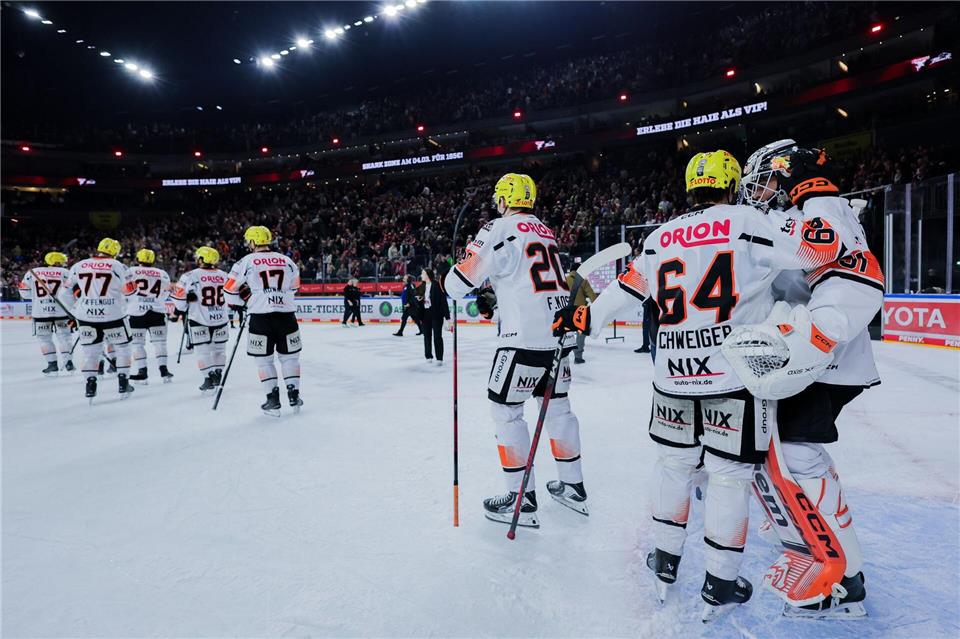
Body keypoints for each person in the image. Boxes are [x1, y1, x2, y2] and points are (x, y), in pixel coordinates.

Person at [553, 150, 850, 620]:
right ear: (732, 184)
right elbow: (819, 250)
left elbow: (625, 292)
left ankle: (665, 564)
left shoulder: (659, 236)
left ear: (691, 187)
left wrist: (581, 317)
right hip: (734, 376)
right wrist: (815, 196)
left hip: (671, 378)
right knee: (730, 478)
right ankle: (720, 583)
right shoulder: (747, 220)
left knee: (673, 467)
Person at [732, 139, 883, 618]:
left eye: (768, 179)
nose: (761, 191)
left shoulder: (819, 208)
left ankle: (844, 575)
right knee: (786, 451)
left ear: (788, 174)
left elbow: (858, 275)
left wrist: (815, 336)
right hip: (825, 355)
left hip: (826, 359)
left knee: (794, 451)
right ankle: (817, 540)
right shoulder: (819, 208)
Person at [444, 173, 587, 528]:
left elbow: (458, 283)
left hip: (522, 339)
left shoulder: (497, 228)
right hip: (559, 337)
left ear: (504, 200)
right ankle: (573, 488)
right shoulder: (545, 231)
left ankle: (520, 500)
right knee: (559, 412)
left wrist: (454, 276)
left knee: (506, 412)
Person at [224, 226, 303, 416]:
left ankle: (272, 400)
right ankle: (294, 396)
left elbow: (228, 290)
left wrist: (245, 303)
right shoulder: (287, 260)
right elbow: (295, 287)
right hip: (287, 316)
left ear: (252, 242)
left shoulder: (245, 261)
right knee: (290, 358)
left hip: (260, 318)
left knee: (263, 360)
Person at [58, 237, 137, 401]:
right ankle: (123, 382)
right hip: (114, 315)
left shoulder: (78, 265)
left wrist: (74, 311)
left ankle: (90, 384)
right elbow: (130, 292)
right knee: (123, 348)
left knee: (90, 353)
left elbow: (64, 293)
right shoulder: (119, 266)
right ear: (115, 252)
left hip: (86, 316)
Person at [171, 247, 230, 394]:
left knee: (203, 352)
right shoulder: (225, 275)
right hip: (221, 319)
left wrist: (183, 306)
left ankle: (208, 378)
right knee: (219, 351)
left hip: (199, 319)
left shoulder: (189, 275)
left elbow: (179, 299)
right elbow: (233, 296)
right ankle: (218, 375)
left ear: (202, 259)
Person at [19, 251, 74, 375]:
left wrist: (38, 298)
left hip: (40, 313)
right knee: (64, 337)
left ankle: (52, 365)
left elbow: (24, 292)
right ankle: (68, 363)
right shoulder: (66, 273)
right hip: (62, 311)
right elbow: (72, 293)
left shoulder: (32, 273)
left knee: (44, 339)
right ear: (57, 262)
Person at [127, 249, 173, 384]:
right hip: (157, 311)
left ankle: (142, 372)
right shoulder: (162, 273)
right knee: (160, 343)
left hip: (136, 312)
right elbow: (166, 292)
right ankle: (164, 371)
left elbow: (126, 290)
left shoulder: (130, 271)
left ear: (137, 259)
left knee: (137, 344)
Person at [565, 258, 597, 364]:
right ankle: (578, 357)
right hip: (580, 312)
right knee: (580, 334)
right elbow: (592, 296)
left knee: (564, 333)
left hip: (566, 310)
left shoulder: (564, 280)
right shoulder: (583, 281)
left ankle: (561, 355)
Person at [420, 268, 449, 366]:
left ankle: (439, 357)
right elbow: (415, 300)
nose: (421, 275)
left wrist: (447, 317)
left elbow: (443, 301)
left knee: (437, 336)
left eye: (423, 273)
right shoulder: (421, 286)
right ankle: (428, 355)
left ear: (428, 275)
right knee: (427, 336)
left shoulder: (437, 285)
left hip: (436, 314)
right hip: (425, 314)